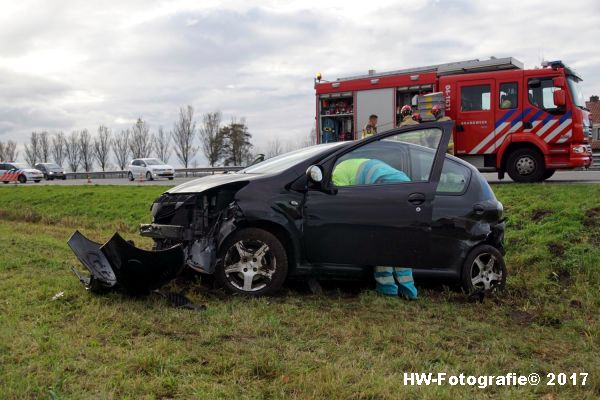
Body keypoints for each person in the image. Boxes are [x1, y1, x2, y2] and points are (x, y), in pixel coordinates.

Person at [331, 157, 418, 300]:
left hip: (383, 187)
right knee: (398, 243)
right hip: (406, 185)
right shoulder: (354, 164)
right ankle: (409, 291)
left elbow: (342, 200)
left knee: (381, 243)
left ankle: (387, 289)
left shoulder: (337, 175)